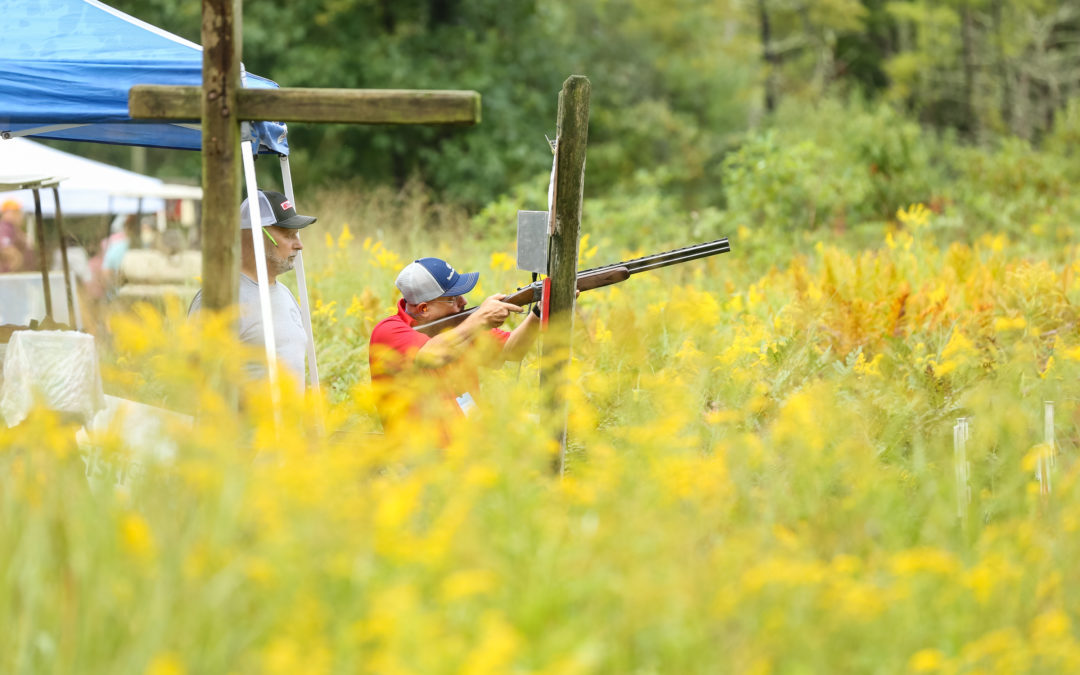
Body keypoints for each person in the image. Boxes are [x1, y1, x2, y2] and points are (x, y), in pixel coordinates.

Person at [368, 257, 541, 429]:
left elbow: (512, 349)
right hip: (421, 454)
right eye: (453, 298)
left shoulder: (458, 328)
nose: (463, 302)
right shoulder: (388, 332)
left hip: (469, 447)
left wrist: (539, 310)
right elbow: (432, 355)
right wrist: (478, 320)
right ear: (424, 309)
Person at [188, 190, 317, 388]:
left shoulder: (285, 294)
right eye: (288, 235)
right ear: (257, 235)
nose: (299, 245)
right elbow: (194, 379)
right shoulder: (219, 299)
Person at [0, 199, 31, 273]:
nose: (20, 215)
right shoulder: (5, 228)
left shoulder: (14, 228)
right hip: (7, 276)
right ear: (8, 213)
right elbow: (6, 248)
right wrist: (18, 259)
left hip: (13, 276)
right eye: (17, 212)